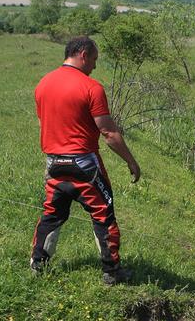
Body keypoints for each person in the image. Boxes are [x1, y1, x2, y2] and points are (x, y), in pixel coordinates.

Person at [30, 36, 141, 285]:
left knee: (52, 214)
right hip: (84, 165)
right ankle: (112, 271)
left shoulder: (43, 83)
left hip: (54, 164)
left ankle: (38, 265)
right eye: (93, 59)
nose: (94, 65)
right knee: (103, 215)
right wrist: (131, 162)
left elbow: (43, 123)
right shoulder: (92, 87)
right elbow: (109, 133)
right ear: (82, 54)